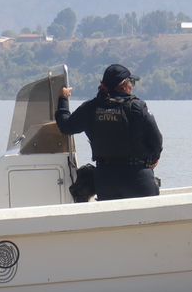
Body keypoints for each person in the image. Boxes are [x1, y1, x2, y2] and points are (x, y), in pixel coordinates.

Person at [55, 64, 164, 200]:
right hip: (138, 179)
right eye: (132, 82)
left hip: (106, 181)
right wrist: (153, 160)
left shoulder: (91, 108)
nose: (133, 86)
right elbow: (156, 141)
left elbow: (66, 126)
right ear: (124, 86)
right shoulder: (137, 108)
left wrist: (63, 100)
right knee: (147, 220)